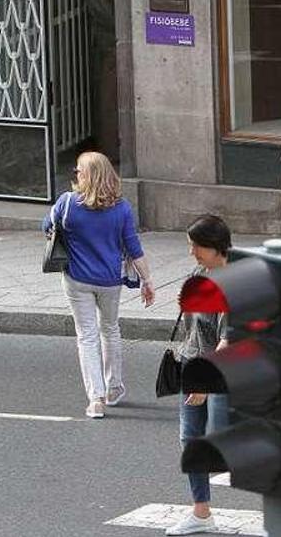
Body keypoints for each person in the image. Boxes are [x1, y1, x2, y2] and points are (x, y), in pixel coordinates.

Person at [42, 151, 155, 419]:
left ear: (88, 175)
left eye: (79, 170)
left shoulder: (67, 203)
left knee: (87, 336)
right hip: (110, 281)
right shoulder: (123, 208)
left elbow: (46, 226)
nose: (76, 174)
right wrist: (147, 280)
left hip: (76, 279)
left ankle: (96, 398)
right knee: (110, 330)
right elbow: (133, 248)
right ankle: (114, 387)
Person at [166, 215, 233, 536]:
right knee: (190, 440)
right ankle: (201, 511)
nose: (192, 251)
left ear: (215, 247)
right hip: (191, 365)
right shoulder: (199, 274)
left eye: (197, 245)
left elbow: (227, 340)